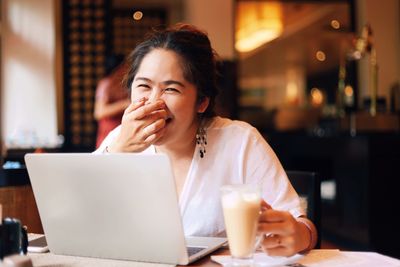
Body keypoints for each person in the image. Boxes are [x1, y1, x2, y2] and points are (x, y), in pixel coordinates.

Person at [95, 23, 317, 256]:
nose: (153, 102)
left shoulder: (239, 142)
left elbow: (301, 226)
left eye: (170, 89)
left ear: (202, 101)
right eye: (143, 86)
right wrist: (117, 152)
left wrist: (302, 236)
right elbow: (79, 217)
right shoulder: (117, 141)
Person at [94, 54, 131, 148]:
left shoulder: (124, 84)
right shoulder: (106, 84)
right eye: (124, 65)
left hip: (122, 130)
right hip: (108, 131)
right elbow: (99, 112)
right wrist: (124, 104)